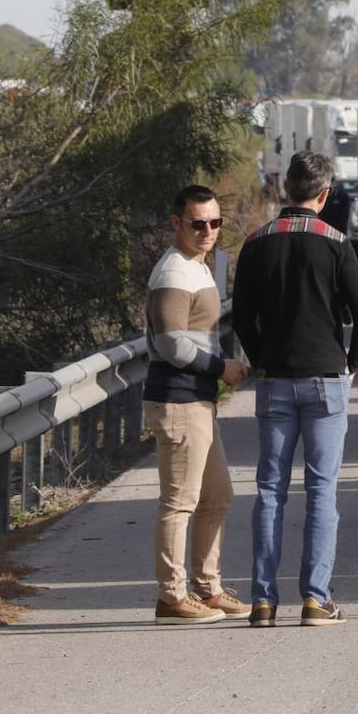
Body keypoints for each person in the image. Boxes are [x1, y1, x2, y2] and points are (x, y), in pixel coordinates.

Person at [232, 151, 358, 628]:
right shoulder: (336, 243)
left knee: (269, 490)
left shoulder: (256, 243)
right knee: (321, 491)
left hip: (274, 380)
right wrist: (351, 366)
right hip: (325, 378)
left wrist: (258, 359)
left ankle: (263, 602)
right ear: (325, 193)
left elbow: (242, 317)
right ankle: (315, 599)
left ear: (283, 189)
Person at [144, 185, 251, 625]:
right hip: (178, 399)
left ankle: (207, 588)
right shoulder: (173, 271)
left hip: (198, 400)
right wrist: (219, 367)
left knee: (217, 496)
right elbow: (170, 342)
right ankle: (171, 597)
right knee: (180, 502)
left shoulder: (197, 267)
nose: (207, 231)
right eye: (197, 223)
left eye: (215, 222)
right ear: (176, 224)